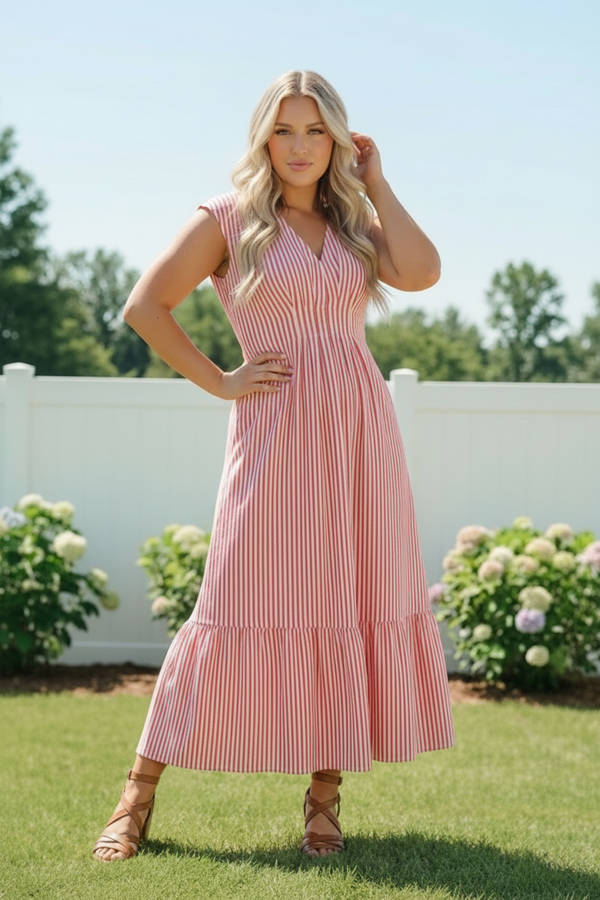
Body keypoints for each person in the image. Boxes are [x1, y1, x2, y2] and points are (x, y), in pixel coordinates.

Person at [93, 70, 455, 862]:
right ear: (263, 139)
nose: (299, 147)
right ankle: (137, 793)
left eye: (316, 132)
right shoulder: (228, 220)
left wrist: (378, 183)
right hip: (276, 429)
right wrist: (221, 379)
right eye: (285, 131)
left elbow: (423, 271)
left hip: (360, 429)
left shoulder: (354, 221)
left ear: (339, 141)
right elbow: (144, 306)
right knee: (230, 599)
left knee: (345, 598)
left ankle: (324, 802)